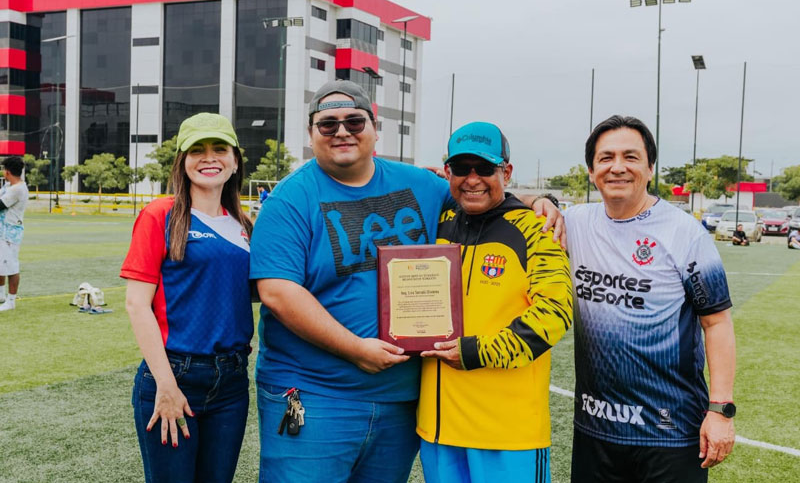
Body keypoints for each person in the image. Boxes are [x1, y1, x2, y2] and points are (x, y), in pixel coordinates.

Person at [249, 80, 564, 483]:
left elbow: (482, 195)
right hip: (319, 393)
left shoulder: (422, 184)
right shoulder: (290, 199)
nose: (342, 131)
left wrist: (538, 202)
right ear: (311, 134)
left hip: (401, 399)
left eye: (354, 121)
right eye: (328, 125)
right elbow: (277, 293)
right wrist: (355, 349)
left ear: (375, 128)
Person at [564, 115, 736, 483]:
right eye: (606, 158)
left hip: (670, 430)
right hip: (595, 429)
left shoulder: (684, 232)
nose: (618, 167)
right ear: (592, 170)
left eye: (631, 157)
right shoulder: (574, 223)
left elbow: (716, 321)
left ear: (649, 167)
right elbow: (520, 211)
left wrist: (720, 411)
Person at [417, 122, 573, 482]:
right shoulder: (436, 223)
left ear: (507, 171)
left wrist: (476, 352)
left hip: (507, 435)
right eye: (461, 169)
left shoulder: (537, 230)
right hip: (438, 431)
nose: (473, 179)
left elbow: (555, 311)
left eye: (485, 168)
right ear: (447, 172)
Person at [120, 113, 253, 483]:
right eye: (197, 150)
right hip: (175, 373)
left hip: (232, 381)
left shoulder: (244, 226)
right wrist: (166, 385)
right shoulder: (161, 215)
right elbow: (136, 304)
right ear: (182, 161)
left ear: (235, 160)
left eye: (219, 149)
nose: (209, 158)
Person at [0, 156, 29, 311]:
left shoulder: (17, 189)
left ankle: (11, 301)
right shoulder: (9, 186)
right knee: (1, 265)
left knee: (11, 267)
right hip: (2, 231)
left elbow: (0, 205)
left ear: (8, 171)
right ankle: (1, 295)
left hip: (10, 233)